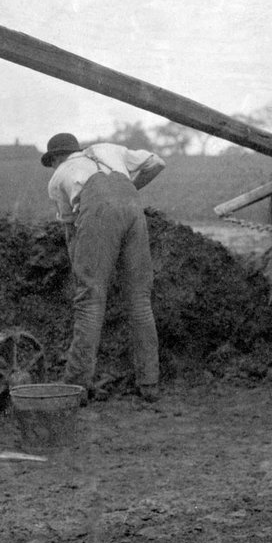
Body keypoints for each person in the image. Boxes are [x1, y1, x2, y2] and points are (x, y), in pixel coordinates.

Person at [41, 133, 166, 403]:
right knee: (140, 300)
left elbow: (69, 223)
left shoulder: (59, 175)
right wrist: (128, 193)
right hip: (133, 210)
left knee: (90, 302)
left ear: (55, 158)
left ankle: (76, 386)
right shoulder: (109, 149)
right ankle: (149, 384)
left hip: (98, 217)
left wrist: (81, 265)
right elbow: (157, 162)